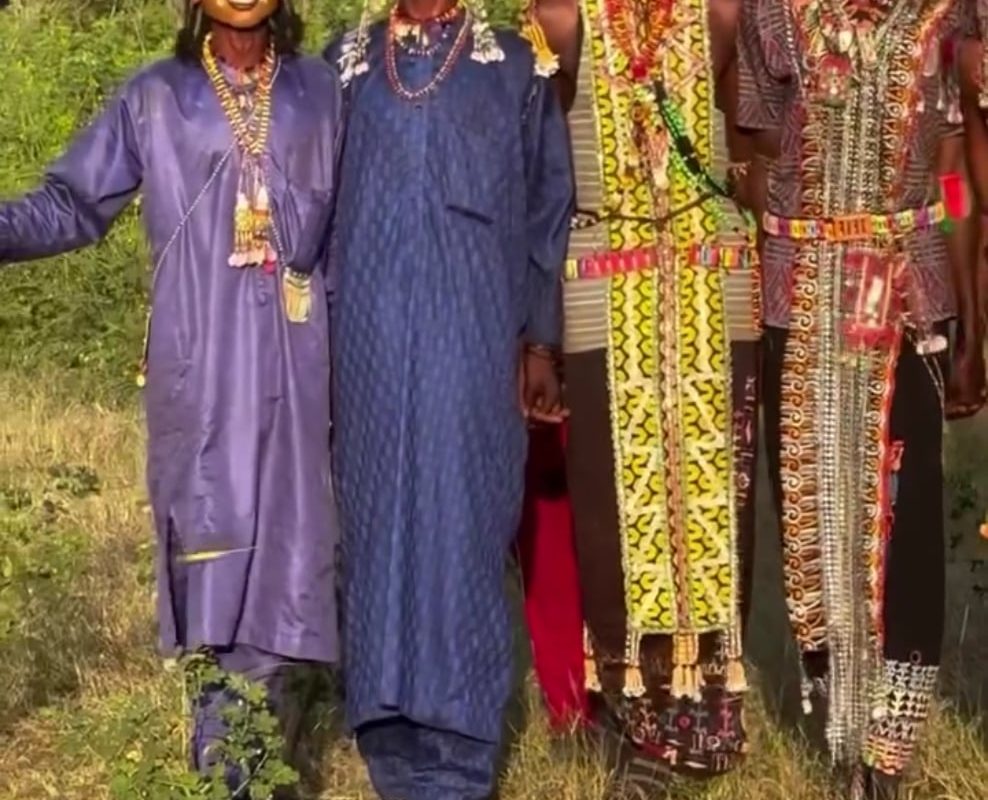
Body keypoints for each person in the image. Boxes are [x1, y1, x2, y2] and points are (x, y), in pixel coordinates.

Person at [0, 0, 342, 791]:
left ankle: (260, 772)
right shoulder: (154, 95)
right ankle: (229, 779)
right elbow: (70, 204)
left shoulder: (324, 90)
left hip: (302, 372)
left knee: (290, 586)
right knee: (216, 581)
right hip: (202, 380)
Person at [326, 1, 573, 798]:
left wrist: (539, 341)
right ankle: (388, 746)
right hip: (362, 350)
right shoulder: (343, 63)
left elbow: (548, 208)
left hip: (473, 350)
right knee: (373, 537)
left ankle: (459, 760)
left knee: (463, 529)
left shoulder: (513, 66)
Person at [738, 0, 985, 796]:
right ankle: (842, 729)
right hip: (800, 286)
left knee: (903, 517)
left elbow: (954, 165)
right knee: (814, 507)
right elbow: (750, 131)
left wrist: (972, 317)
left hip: (906, 283)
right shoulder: (771, 12)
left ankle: (890, 750)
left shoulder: (950, 12)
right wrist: (807, 190)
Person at [529, 0, 762, 787]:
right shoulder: (559, 21)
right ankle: (642, 722)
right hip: (603, 278)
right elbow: (540, 162)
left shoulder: (721, 15)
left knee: (713, 504)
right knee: (611, 513)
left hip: (708, 281)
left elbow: (754, 144)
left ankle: (709, 716)